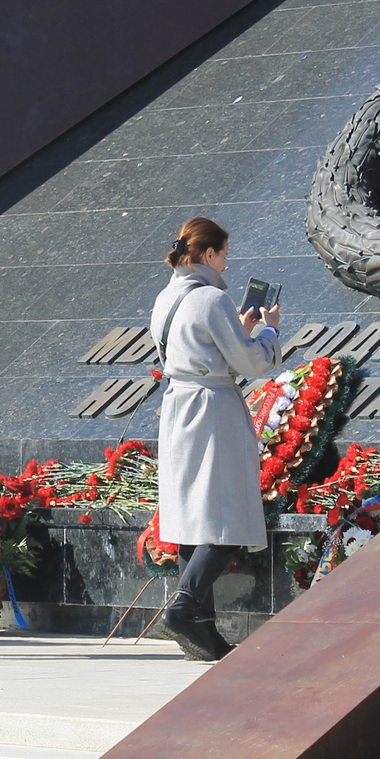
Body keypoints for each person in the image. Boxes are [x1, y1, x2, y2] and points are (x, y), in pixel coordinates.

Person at [149, 217, 280, 661]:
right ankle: (184, 610)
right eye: (223, 254)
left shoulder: (167, 297)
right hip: (212, 408)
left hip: (178, 405)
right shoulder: (211, 298)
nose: (226, 263)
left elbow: (200, 347)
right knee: (226, 515)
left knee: (191, 520)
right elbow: (251, 363)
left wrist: (236, 329)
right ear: (207, 255)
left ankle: (203, 635)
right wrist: (268, 332)